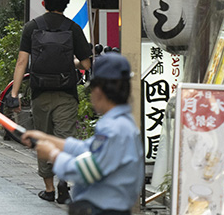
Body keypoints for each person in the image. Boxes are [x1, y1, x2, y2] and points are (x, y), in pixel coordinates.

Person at [24, 53, 144, 215]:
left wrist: (52, 154)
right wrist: (47, 139)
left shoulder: (115, 128)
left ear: (99, 91)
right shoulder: (121, 124)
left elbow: (87, 171)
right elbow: (87, 149)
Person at [9, 0, 94, 203]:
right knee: (64, 139)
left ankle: (48, 189)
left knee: (44, 140)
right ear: (66, 2)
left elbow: (21, 62)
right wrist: (71, 63)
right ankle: (64, 184)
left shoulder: (32, 27)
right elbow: (86, 64)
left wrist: (14, 94)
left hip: (40, 92)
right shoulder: (73, 28)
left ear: (44, 1)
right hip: (66, 93)